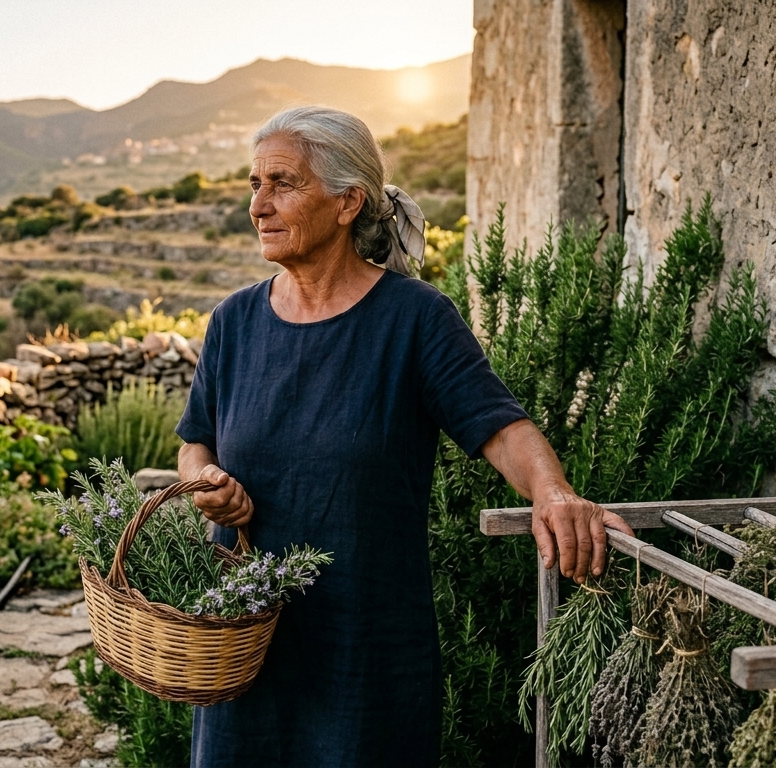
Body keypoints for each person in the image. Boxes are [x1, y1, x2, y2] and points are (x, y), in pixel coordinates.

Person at [175, 106, 634, 767]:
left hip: (366, 653)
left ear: (346, 202)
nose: (260, 205)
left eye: (283, 183)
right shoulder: (235, 322)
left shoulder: (413, 320)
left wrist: (555, 494)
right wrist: (203, 484)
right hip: (244, 645)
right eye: (255, 184)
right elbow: (197, 443)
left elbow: (501, 427)